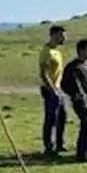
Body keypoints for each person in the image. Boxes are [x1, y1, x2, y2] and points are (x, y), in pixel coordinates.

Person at [61, 39, 87, 163]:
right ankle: (83, 154)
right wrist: (75, 94)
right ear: (81, 50)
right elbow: (64, 85)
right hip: (81, 102)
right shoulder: (73, 67)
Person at [38, 26, 67, 156]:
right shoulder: (46, 52)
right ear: (53, 35)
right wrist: (52, 89)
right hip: (49, 89)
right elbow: (44, 74)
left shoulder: (57, 52)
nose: (64, 38)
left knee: (62, 117)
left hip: (58, 88)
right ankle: (49, 146)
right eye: (61, 35)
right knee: (51, 118)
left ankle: (60, 144)